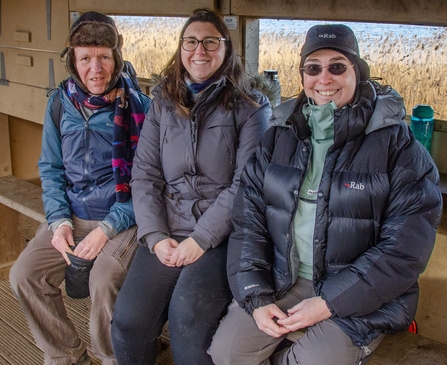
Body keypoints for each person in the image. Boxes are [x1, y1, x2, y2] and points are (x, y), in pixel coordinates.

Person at [208, 24, 442, 365]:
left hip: (361, 293)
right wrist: (255, 296)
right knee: (226, 354)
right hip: (283, 280)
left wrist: (329, 302)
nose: (324, 78)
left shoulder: (396, 145)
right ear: (302, 74)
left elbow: (405, 249)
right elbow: (248, 222)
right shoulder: (279, 136)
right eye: (313, 67)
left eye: (337, 66)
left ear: (357, 73)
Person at [110, 8, 272, 365]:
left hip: (221, 235)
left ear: (227, 49)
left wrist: (201, 239)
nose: (200, 50)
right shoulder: (163, 103)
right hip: (168, 229)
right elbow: (145, 174)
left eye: (210, 41)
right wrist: (154, 235)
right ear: (181, 48)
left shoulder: (250, 107)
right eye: (191, 42)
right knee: (128, 321)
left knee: (189, 318)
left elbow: (246, 184)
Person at [9, 11, 151, 365]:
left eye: (104, 56)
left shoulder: (140, 109)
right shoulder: (60, 104)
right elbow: (51, 168)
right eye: (85, 57)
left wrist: (106, 230)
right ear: (73, 60)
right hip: (71, 214)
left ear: (116, 57)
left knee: (103, 279)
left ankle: (110, 357)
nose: (96, 68)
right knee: (24, 274)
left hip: (122, 219)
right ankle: (66, 355)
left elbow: (148, 184)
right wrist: (58, 222)